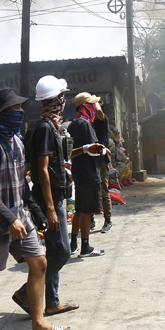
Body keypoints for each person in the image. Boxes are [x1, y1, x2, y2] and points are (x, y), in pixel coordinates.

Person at [0, 88, 61, 330]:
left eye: (21, 107)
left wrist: (36, 211)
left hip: (22, 216)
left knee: (40, 263)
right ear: (1, 113)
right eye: (15, 108)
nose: (20, 112)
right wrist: (9, 219)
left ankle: (39, 322)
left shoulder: (18, 142)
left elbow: (22, 184)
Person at [13, 76, 79, 318]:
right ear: (57, 100)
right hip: (49, 199)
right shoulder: (43, 129)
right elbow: (41, 170)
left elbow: (54, 164)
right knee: (62, 252)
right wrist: (50, 209)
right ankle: (23, 293)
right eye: (62, 97)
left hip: (55, 196)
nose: (64, 101)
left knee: (53, 250)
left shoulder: (51, 126)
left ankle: (51, 303)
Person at [67, 92, 106, 257]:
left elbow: (70, 151)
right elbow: (93, 148)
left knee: (80, 209)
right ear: (85, 106)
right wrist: (104, 151)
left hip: (79, 171)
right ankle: (85, 247)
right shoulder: (86, 125)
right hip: (89, 173)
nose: (95, 106)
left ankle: (73, 243)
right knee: (87, 211)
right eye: (92, 104)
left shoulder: (72, 124)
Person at [92, 101, 114, 234]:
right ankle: (90, 219)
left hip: (101, 161)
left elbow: (99, 111)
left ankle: (108, 220)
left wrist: (92, 101)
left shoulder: (102, 121)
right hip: (90, 161)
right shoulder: (88, 123)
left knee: (103, 190)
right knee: (91, 191)